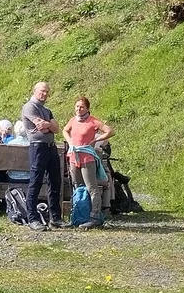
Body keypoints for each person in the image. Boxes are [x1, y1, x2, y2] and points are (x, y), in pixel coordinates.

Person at [62, 96, 115, 229]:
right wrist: (69, 141)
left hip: (87, 158)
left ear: (87, 108)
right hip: (74, 157)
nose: (78, 109)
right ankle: (77, 215)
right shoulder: (73, 120)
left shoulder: (93, 121)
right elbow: (65, 130)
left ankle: (95, 216)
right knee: (76, 186)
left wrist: (96, 140)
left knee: (91, 188)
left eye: (82, 107)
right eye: (77, 107)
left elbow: (110, 131)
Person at [22, 81, 64, 231]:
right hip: (38, 147)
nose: (44, 94)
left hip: (50, 147)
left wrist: (48, 126)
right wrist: (48, 126)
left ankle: (55, 217)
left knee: (55, 181)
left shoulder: (47, 110)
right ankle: (32, 218)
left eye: (47, 92)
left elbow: (56, 128)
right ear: (34, 91)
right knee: (36, 181)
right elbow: (41, 127)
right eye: (42, 91)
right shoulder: (29, 107)